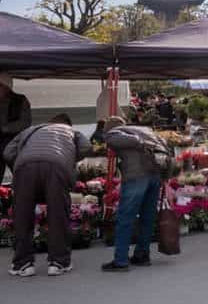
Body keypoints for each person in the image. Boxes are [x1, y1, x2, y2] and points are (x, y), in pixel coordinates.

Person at [3, 113, 91, 277]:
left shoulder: (30, 130)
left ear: (49, 122)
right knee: (58, 215)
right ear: (68, 124)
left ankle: (23, 264)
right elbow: (87, 148)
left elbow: (8, 152)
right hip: (57, 167)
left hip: (24, 167)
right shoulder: (71, 132)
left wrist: (21, 163)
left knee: (23, 216)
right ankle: (58, 263)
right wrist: (67, 157)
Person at [102, 116, 171, 272]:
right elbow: (165, 146)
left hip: (136, 177)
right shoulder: (146, 131)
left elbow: (122, 140)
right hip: (155, 175)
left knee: (125, 218)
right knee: (147, 217)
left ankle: (120, 260)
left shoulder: (114, 133)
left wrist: (140, 143)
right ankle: (142, 255)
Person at [0, 73, 32, 183]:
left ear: (7, 87)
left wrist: (4, 128)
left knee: (21, 175)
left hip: (14, 143)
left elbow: (25, 122)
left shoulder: (21, 100)